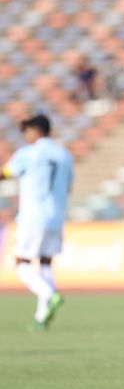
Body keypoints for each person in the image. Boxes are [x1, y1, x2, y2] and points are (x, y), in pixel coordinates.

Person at [1, 114, 73, 331]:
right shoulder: (64, 155)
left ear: (37, 131)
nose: (26, 136)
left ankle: (49, 294)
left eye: (28, 131)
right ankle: (41, 318)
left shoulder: (28, 153)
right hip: (56, 216)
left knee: (21, 262)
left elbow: (6, 173)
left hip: (33, 216)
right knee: (44, 263)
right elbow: (68, 185)